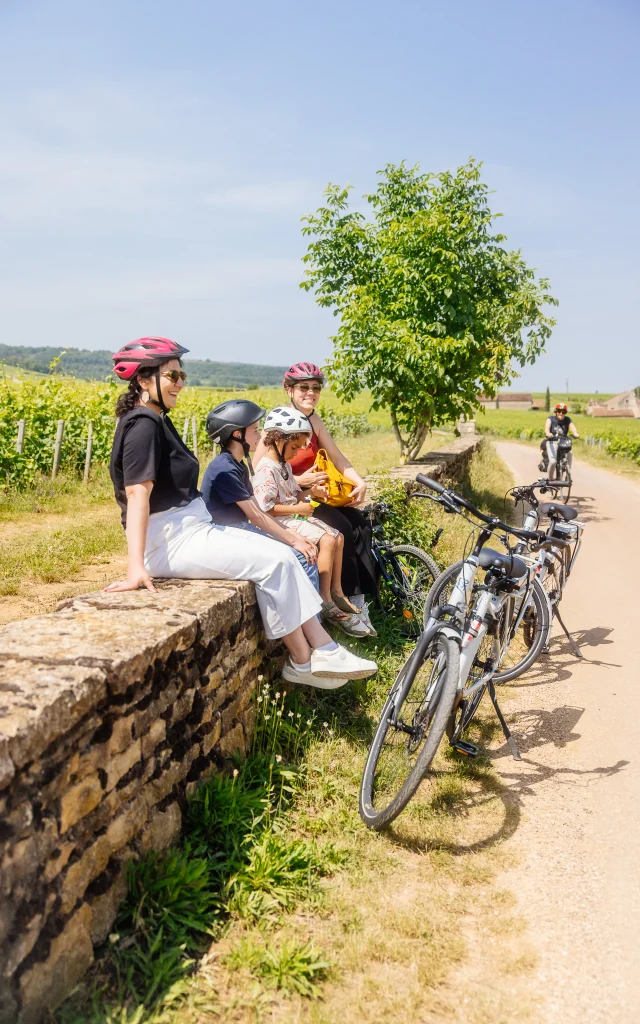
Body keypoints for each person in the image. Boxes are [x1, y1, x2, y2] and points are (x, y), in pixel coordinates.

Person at [106, 337, 377, 691]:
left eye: (181, 375)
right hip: (169, 537)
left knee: (284, 554)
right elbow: (137, 494)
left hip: (189, 527)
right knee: (275, 561)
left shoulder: (156, 420)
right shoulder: (142, 423)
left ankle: (321, 651)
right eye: (173, 376)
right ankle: (305, 658)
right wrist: (136, 566)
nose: (181, 382)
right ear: (143, 380)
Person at [253, 362, 377, 636]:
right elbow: (260, 476)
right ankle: (336, 607)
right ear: (289, 390)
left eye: (316, 388)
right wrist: (302, 482)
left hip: (318, 495)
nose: (311, 392)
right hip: (295, 501)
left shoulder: (314, 421)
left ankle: (360, 600)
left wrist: (359, 481)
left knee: (360, 523)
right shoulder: (277, 426)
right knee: (341, 529)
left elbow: (337, 456)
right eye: (304, 387)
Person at [200, 398, 320, 591]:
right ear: (237, 434)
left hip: (238, 530)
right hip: (225, 534)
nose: (260, 435)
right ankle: (312, 619)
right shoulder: (224, 468)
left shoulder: (237, 465)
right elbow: (255, 516)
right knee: (301, 557)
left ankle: (310, 618)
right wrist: (295, 541)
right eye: (255, 430)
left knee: (300, 551)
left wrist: (294, 535)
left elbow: (259, 511)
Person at [539, 403, 580, 480]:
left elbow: (572, 427)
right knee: (553, 461)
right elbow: (547, 428)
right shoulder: (550, 419)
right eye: (559, 411)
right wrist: (548, 433)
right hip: (552, 441)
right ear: (556, 411)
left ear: (565, 413)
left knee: (570, 454)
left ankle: (568, 474)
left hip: (563, 442)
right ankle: (550, 478)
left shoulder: (567, 420)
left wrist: (575, 433)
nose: (561, 413)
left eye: (563, 412)